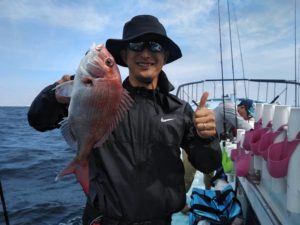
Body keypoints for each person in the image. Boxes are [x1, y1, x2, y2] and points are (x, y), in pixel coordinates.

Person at [27, 15, 222, 225]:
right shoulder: (96, 95)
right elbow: (37, 120)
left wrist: (207, 138)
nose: (146, 53)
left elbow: (208, 164)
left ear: (164, 57)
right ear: (125, 55)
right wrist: (53, 95)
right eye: (137, 45)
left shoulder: (179, 110)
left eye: (155, 46)